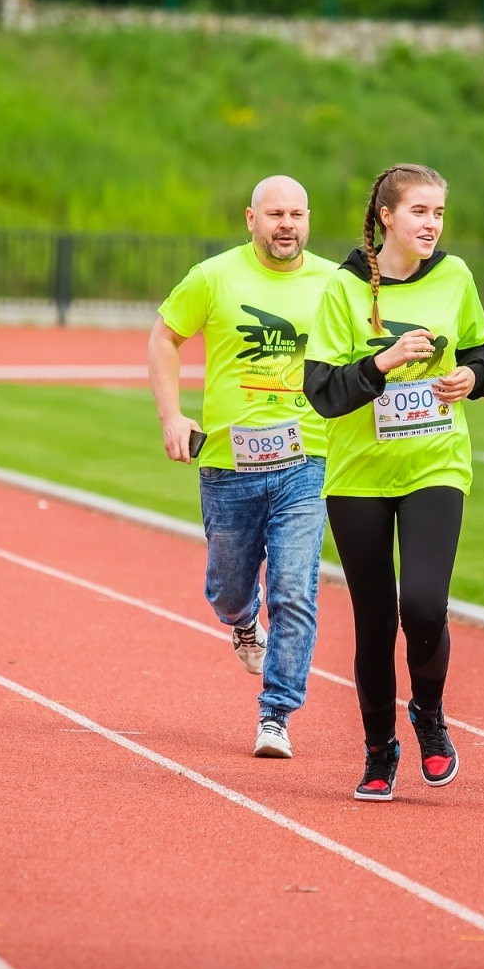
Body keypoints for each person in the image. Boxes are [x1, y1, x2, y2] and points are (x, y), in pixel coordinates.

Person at [303, 163, 484, 802]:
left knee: (422, 603)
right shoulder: (343, 289)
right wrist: (383, 363)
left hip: (435, 465)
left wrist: (472, 379)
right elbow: (323, 393)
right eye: (420, 212)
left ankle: (431, 717)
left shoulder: (456, 275)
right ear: (386, 216)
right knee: (375, 618)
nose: (432, 224)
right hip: (359, 475)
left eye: (439, 213)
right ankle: (379, 748)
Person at [149, 175, 336, 759]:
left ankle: (276, 713)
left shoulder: (337, 283)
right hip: (230, 463)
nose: (287, 224)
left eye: (297, 213)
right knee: (228, 588)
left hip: (308, 458)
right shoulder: (213, 277)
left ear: (309, 218)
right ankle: (241, 619)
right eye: (275, 213)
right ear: (251, 218)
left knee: (296, 589)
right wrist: (172, 417)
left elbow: (365, 359)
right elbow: (164, 336)